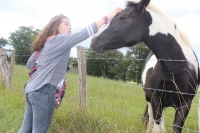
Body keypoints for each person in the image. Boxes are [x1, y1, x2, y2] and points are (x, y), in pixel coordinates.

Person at [18, 7, 122, 133]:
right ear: (55, 26)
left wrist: (45, 70)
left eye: (71, 25)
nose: (70, 27)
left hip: (31, 90)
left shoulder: (45, 42)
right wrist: (110, 16)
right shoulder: (59, 39)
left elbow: (30, 63)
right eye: (66, 24)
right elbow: (85, 32)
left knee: (25, 129)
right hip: (44, 91)